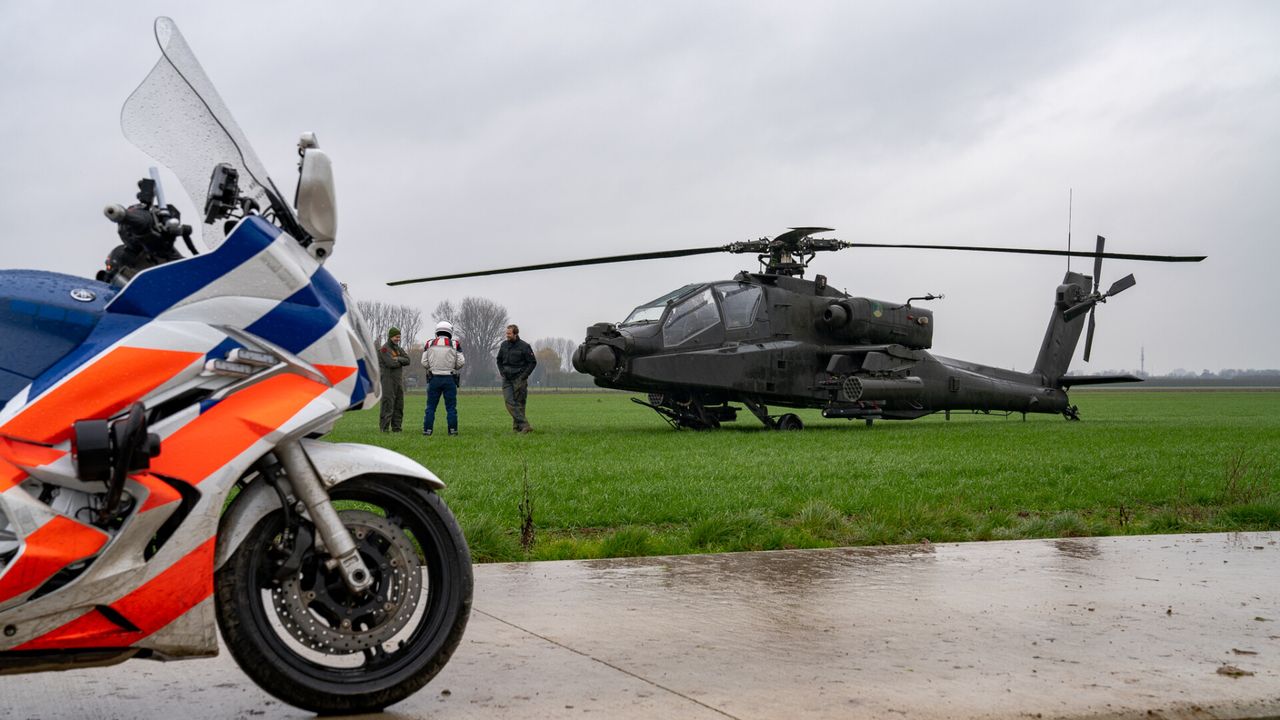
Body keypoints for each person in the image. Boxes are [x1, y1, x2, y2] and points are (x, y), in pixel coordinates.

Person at [422, 321, 465, 436]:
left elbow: (424, 362)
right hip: (449, 378)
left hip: (434, 378)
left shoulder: (429, 343)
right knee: (451, 408)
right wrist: (453, 366)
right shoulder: (455, 344)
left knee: (430, 407)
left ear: (437, 331)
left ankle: (427, 431)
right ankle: (452, 431)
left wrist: (432, 367)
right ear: (450, 331)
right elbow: (461, 362)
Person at [496, 323, 537, 433]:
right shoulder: (504, 345)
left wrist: (524, 376)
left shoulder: (524, 346)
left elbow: (532, 362)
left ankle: (517, 429)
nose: (507, 335)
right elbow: (498, 360)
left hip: (519, 378)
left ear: (515, 334)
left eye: (509, 333)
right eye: (506, 333)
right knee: (509, 402)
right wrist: (502, 372)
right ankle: (525, 425)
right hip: (507, 379)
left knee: (519, 403)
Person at [378, 327, 410, 432]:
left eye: (399, 337)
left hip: (398, 381)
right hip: (387, 381)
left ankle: (397, 427)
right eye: (396, 337)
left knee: (399, 404)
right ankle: (384, 428)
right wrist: (400, 361)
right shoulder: (384, 349)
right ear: (391, 336)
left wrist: (398, 359)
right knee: (388, 404)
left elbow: (408, 360)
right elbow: (390, 363)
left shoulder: (398, 349)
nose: (398, 339)